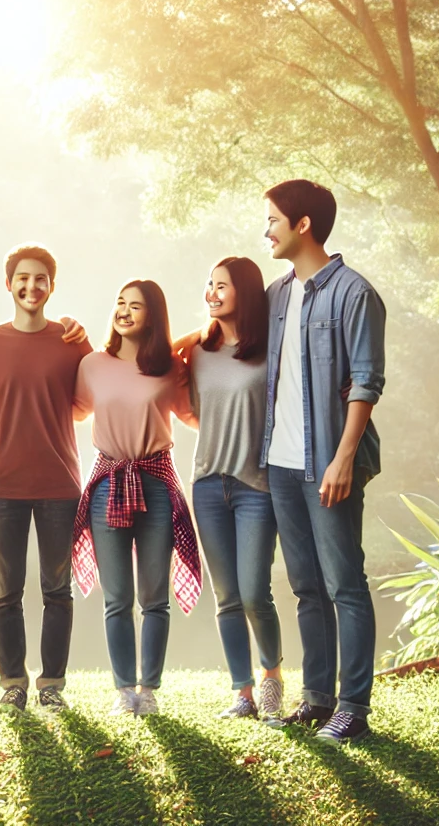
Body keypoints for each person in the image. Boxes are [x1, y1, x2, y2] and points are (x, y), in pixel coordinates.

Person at [259, 179, 386, 745]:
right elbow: (229, 335)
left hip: (330, 464)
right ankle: (316, 698)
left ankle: (353, 707)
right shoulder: (277, 294)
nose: (266, 230)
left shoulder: (355, 294)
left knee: (345, 584)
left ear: (302, 224)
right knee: (305, 585)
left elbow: (366, 383)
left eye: (272, 220)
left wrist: (343, 459)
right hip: (280, 464)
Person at [72, 280, 201, 717]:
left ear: (154, 315)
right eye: (120, 303)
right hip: (108, 480)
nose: (124, 312)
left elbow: (193, 416)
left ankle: (150, 690)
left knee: (154, 597)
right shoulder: (92, 364)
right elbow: (69, 409)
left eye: (136, 306)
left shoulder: (169, 368)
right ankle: (124, 689)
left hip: (157, 482)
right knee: (117, 598)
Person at [0, 244, 91, 712]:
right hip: (2, 482)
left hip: (60, 484)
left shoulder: (70, 341)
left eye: (40, 279)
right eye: (23, 278)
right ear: (9, 284)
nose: (31, 287)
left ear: (52, 287)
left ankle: (51, 686)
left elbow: (88, 402)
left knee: (57, 591)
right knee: (7, 591)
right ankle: (13, 684)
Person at [183, 257, 284, 722]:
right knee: (225, 596)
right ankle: (241, 693)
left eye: (222, 285)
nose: (212, 292)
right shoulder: (197, 352)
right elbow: (145, 358)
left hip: (255, 486)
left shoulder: (269, 350)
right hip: (207, 483)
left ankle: (272, 676)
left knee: (253, 592)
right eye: (209, 284)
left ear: (244, 291)